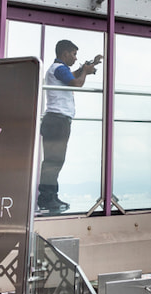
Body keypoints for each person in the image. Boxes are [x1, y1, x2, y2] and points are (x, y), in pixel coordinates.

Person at [39, 39, 103, 213]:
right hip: (57, 120)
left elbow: (73, 76)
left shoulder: (60, 70)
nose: (75, 58)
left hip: (57, 120)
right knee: (54, 161)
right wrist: (86, 73)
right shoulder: (58, 69)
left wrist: (88, 67)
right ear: (64, 54)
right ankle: (45, 198)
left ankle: (51, 195)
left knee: (55, 160)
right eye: (74, 54)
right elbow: (77, 83)